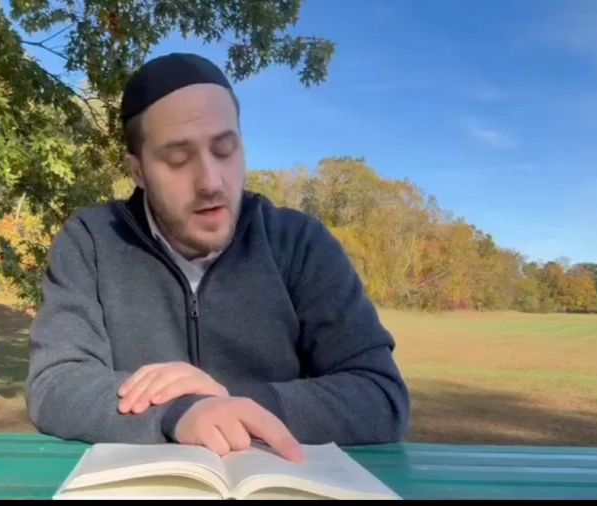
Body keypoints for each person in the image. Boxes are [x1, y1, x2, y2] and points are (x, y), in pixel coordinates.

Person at [24, 52, 410, 462]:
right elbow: (55, 383)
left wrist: (230, 403)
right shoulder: (91, 241)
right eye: (178, 159)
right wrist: (179, 412)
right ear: (138, 171)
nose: (210, 182)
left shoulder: (300, 242)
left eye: (225, 150)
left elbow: (380, 396)